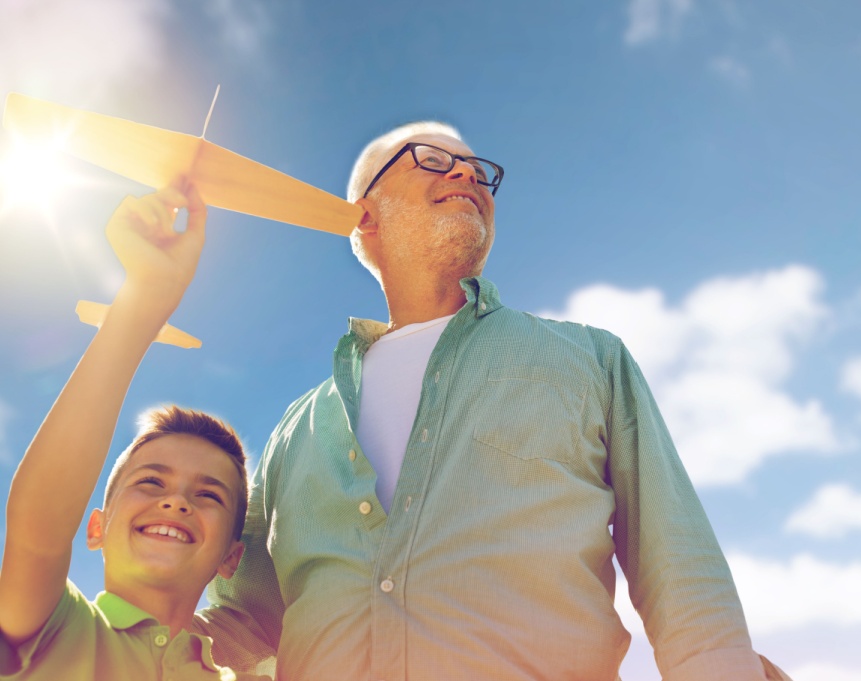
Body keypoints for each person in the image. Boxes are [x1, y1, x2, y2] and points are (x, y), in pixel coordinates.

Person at [197, 123, 791, 680]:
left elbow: (680, 570)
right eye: (433, 160)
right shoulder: (293, 431)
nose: (467, 176)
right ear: (366, 218)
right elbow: (242, 623)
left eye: (478, 171)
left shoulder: (592, 359)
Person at [0, 184, 270, 680]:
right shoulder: (52, 630)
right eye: (151, 482)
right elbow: (37, 530)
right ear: (96, 527)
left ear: (231, 558)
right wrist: (144, 298)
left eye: (209, 494)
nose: (176, 502)